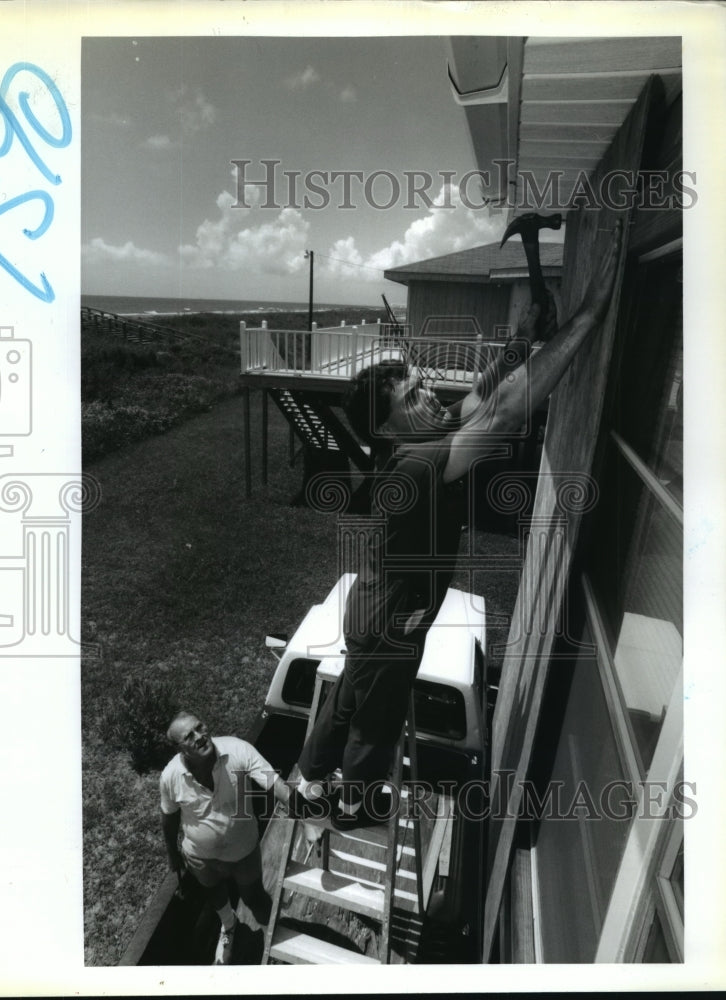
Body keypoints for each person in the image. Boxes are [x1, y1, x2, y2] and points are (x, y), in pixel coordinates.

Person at [293, 221, 623, 829]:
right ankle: (352, 804)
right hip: (391, 619)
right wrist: (588, 317)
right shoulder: (420, 463)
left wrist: (520, 344)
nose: (428, 393)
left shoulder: (418, 437)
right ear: (388, 425)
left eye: (419, 383)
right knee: (375, 717)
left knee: (347, 699)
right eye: (414, 392)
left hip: (373, 610)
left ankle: (310, 783)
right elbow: (501, 412)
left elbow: (475, 398)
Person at [160, 711, 290, 965]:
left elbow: (278, 786)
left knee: (255, 897)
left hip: (243, 852)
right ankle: (229, 927)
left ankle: (274, 939)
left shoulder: (238, 750)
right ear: (179, 749)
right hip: (199, 856)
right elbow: (169, 817)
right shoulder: (170, 776)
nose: (200, 736)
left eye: (200, 727)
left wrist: (306, 817)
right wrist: (172, 854)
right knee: (214, 892)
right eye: (189, 736)